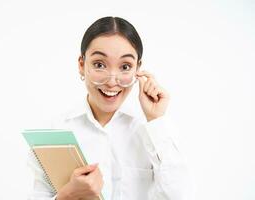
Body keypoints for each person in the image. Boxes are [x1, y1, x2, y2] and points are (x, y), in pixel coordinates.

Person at [27, 16, 192, 200]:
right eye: (99, 64)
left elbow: (179, 195)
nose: (112, 80)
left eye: (125, 66)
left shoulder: (152, 130)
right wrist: (68, 195)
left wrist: (156, 120)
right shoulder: (55, 131)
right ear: (82, 65)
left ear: (137, 69)